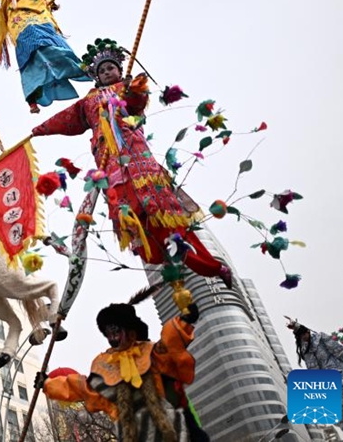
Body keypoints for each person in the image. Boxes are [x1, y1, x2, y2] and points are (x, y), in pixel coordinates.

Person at [30, 38, 232, 288]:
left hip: (134, 154)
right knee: (132, 215)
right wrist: (39, 129)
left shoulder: (126, 88)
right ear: (96, 76)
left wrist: (135, 89)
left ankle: (209, 264)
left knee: (161, 212)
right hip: (107, 160)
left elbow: (137, 104)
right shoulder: (88, 100)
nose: (106, 73)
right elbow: (67, 119)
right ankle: (166, 254)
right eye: (101, 71)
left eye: (110, 68)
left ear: (119, 69)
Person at [36, 302, 209, 442]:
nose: (112, 337)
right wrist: (48, 383)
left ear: (130, 330)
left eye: (116, 331)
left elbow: (170, 343)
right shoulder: (104, 364)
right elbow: (83, 387)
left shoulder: (150, 351)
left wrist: (185, 321)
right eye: (108, 333)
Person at [289, 320, 343, 436]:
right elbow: (314, 372)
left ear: (308, 332)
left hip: (342, 376)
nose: (304, 338)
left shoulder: (320, 339)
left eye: (304, 335)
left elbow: (338, 351)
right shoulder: (306, 350)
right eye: (301, 336)